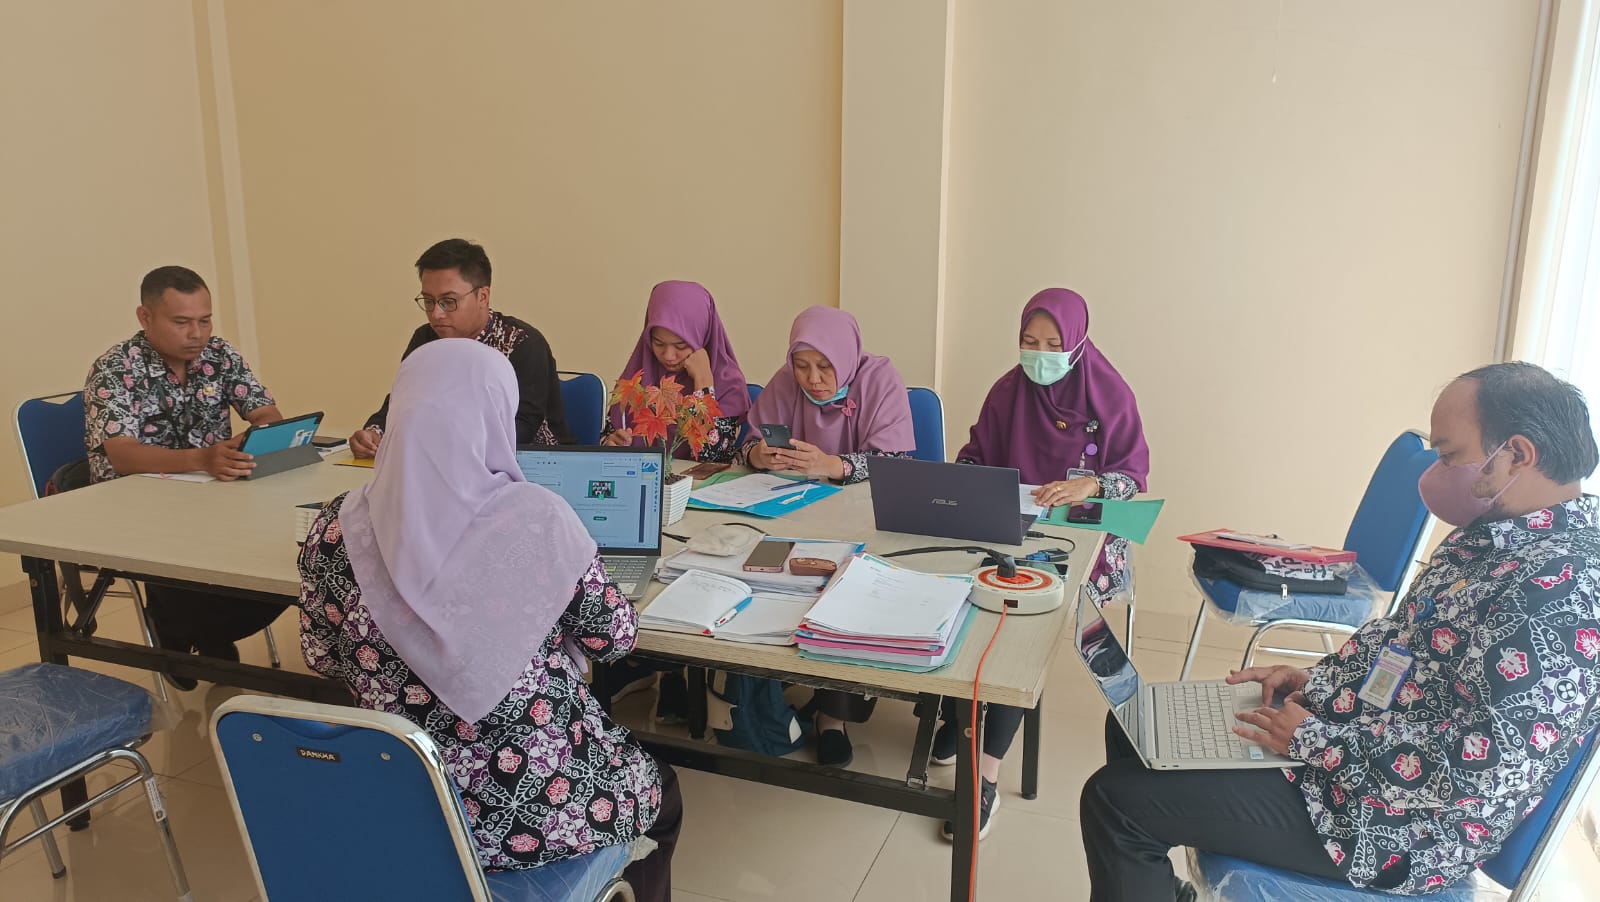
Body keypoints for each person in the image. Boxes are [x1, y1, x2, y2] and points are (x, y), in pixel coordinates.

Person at [1080, 361, 1600, 901]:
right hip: (1354, 753)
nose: (1437, 473)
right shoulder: (1494, 537)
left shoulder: (1565, 592)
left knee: (1116, 803)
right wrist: (1321, 685)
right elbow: (1406, 646)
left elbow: (1484, 769)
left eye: (1449, 455)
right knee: (1134, 727)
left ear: (1517, 454)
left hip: (1392, 825)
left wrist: (1316, 740)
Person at [298, 339, 680, 900]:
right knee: (664, 793)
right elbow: (614, 639)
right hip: (540, 810)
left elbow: (321, 657)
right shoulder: (539, 519)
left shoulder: (335, 527)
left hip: (401, 798)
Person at [936, 287, 1150, 839]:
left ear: (1077, 341)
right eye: (1029, 342)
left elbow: (1133, 479)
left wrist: (1091, 483)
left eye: (1053, 344)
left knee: (1020, 629)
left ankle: (984, 778)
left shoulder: (1110, 393)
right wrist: (969, 480)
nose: (1040, 354)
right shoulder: (1007, 391)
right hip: (1009, 529)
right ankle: (954, 714)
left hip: (1084, 540)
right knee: (952, 592)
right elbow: (974, 457)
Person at [83, 265, 290, 688]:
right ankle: (179, 629)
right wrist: (202, 459)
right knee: (192, 547)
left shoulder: (219, 355)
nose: (197, 334)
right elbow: (123, 455)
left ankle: (208, 630)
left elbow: (266, 412)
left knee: (281, 549)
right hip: (135, 504)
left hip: (210, 496)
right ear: (145, 317)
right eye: (181, 322)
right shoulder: (115, 367)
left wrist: (258, 437)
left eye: (205, 320)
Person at [744, 305, 917, 766]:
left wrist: (835, 465)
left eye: (824, 365)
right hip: (795, 516)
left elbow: (898, 464)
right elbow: (747, 444)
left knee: (849, 587)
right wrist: (759, 455)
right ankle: (760, 688)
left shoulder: (879, 378)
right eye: (802, 365)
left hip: (866, 522)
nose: (813, 379)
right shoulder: (786, 382)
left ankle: (833, 716)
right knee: (757, 567)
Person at [350, 238, 574, 456]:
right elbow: (402, 403)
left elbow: (521, 428)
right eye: (428, 301)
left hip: (532, 463)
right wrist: (374, 433)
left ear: (483, 296)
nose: (436, 314)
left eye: (449, 301)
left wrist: (444, 445)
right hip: (442, 463)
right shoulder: (426, 339)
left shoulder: (521, 343)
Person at [603, 280, 750, 462]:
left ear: (702, 336)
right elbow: (608, 437)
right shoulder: (636, 376)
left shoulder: (728, 383)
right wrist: (610, 444)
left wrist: (703, 383)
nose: (669, 356)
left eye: (681, 345)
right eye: (658, 343)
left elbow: (711, 459)